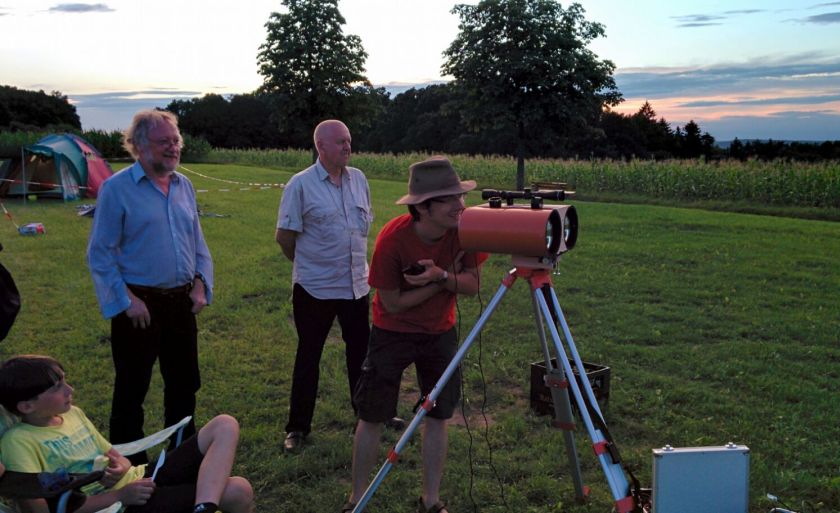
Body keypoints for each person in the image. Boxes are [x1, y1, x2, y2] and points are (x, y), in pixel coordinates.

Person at [344, 156, 488, 513]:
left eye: (460, 196)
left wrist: (440, 275)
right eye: (449, 199)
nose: (460, 205)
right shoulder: (393, 239)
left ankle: (431, 500)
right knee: (372, 415)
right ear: (423, 207)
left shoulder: (466, 232)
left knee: (439, 415)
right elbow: (392, 304)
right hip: (392, 333)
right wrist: (440, 281)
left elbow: (472, 285)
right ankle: (356, 499)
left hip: (440, 332)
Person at [86, 110, 213, 464]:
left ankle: (180, 459)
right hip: (138, 306)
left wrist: (201, 283)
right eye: (163, 142)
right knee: (131, 389)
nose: (173, 147)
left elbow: (197, 243)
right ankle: (130, 467)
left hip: (181, 303)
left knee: (184, 385)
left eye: (176, 140)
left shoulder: (184, 186)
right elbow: (100, 254)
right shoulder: (117, 189)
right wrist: (126, 300)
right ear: (139, 146)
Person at [275, 120, 400, 452]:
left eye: (349, 140)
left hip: (355, 285)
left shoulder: (359, 179)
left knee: (362, 354)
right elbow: (284, 237)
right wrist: (309, 266)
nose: (348, 146)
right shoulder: (300, 185)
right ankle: (297, 428)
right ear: (321, 146)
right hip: (314, 288)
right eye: (341, 141)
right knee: (309, 356)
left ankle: (368, 414)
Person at [0, 355, 254, 513]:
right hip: (119, 505)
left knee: (224, 424)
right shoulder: (19, 442)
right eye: (57, 387)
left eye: (65, 381)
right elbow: (47, 508)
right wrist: (120, 495)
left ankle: (203, 506)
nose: (70, 390)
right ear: (27, 406)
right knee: (237, 490)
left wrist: (120, 467)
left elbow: (116, 456)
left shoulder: (73, 414)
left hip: (139, 478)